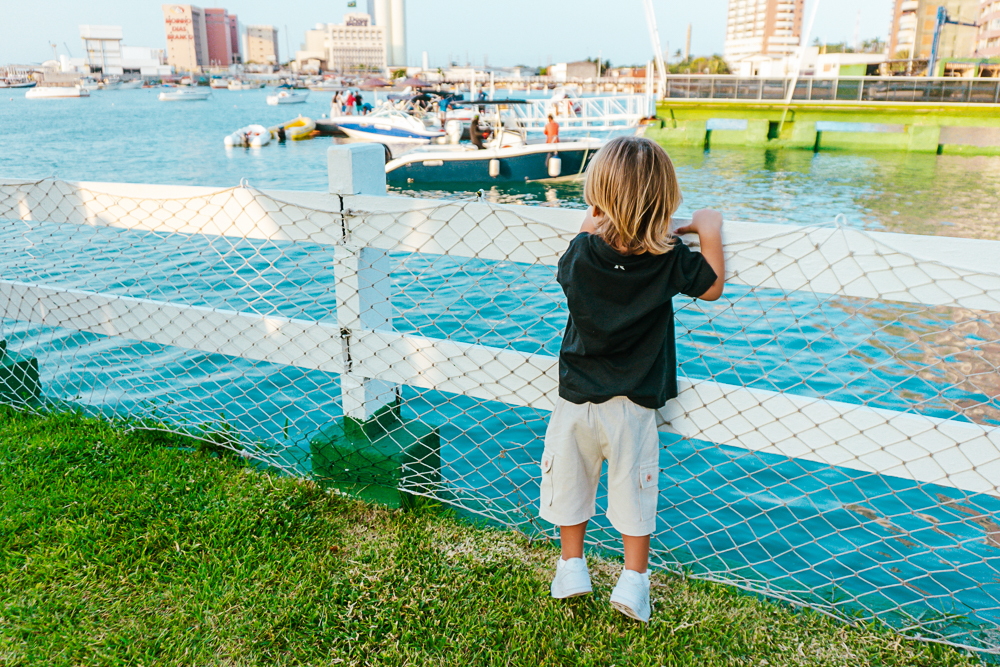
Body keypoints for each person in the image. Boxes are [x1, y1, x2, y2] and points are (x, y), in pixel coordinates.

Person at [540, 136, 725, 623]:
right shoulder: (668, 259)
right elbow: (712, 288)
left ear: (598, 199)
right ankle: (633, 582)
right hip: (634, 403)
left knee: (571, 483)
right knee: (633, 493)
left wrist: (599, 217)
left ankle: (572, 567)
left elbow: (584, 238)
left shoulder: (581, 253)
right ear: (664, 203)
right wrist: (707, 228)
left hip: (576, 398)